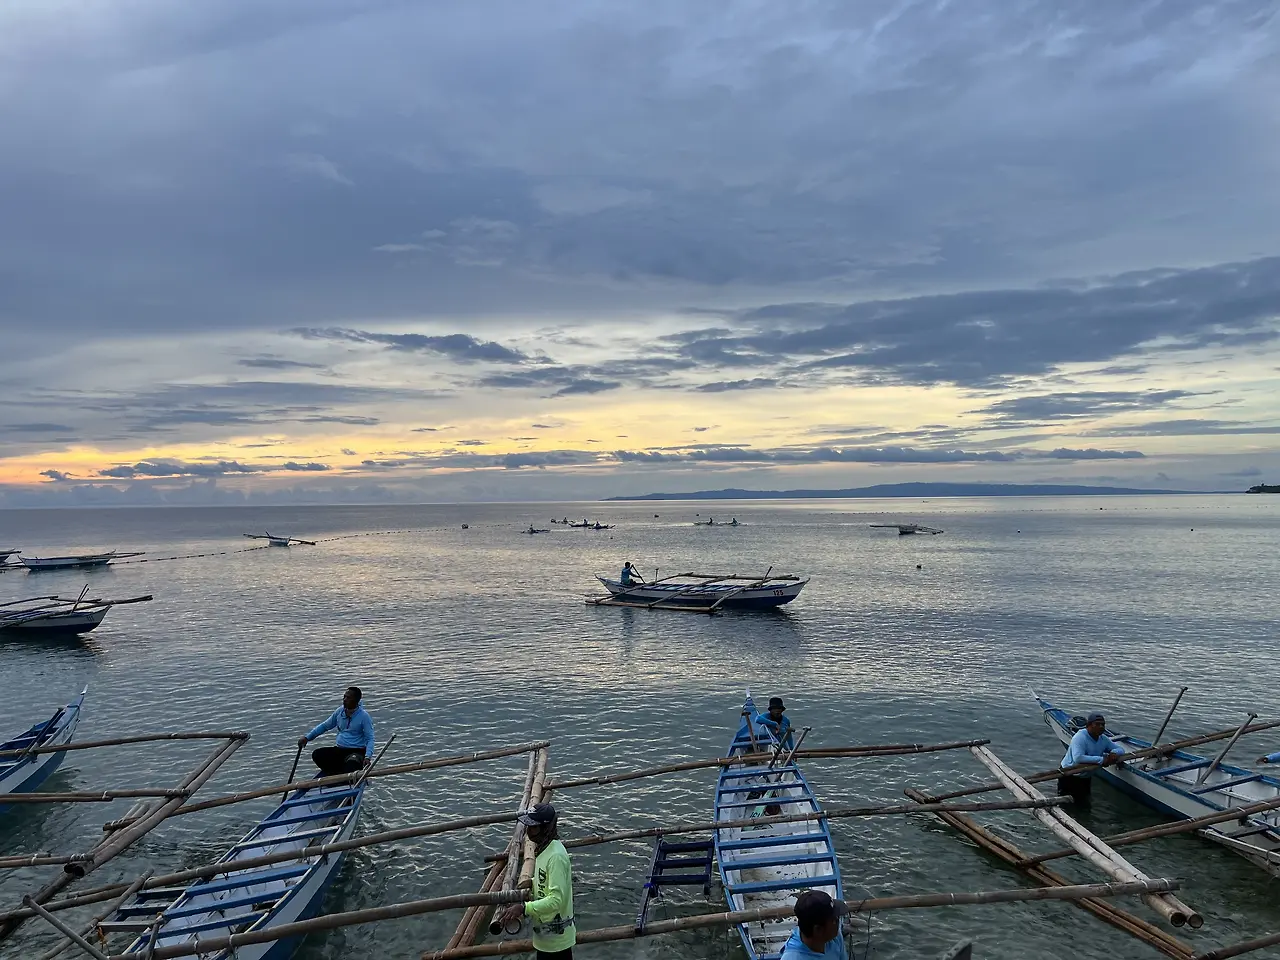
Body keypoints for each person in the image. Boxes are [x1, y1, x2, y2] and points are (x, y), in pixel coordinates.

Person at [500, 803, 575, 959]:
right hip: (545, 938)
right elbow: (548, 879)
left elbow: (556, 900)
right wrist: (532, 882)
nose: (529, 832)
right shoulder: (544, 849)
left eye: (533, 828)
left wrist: (523, 908)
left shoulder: (556, 857)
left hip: (557, 942)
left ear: (546, 828)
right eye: (528, 827)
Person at [299, 686, 375, 775]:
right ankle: (336, 773)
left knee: (352, 764)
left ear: (356, 700)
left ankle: (346, 774)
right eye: (344, 697)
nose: (345, 700)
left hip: (356, 752)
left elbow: (370, 738)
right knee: (317, 754)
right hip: (340, 750)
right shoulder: (340, 711)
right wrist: (307, 738)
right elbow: (325, 726)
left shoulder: (364, 716)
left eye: (348, 698)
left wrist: (367, 757)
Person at [1057, 711, 1125, 806]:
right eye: (1097, 724)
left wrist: (1114, 753)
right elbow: (1079, 758)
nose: (1101, 727)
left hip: (1085, 776)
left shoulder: (1103, 738)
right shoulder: (1080, 737)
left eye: (1103, 724)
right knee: (1066, 804)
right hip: (1070, 775)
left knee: (1085, 803)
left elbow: (1120, 749)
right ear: (1088, 725)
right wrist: (1102, 760)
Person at [781, 889, 848, 959]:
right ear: (818, 929)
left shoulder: (835, 937)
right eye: (834, 919)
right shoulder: (793, 957)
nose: (838, 921)